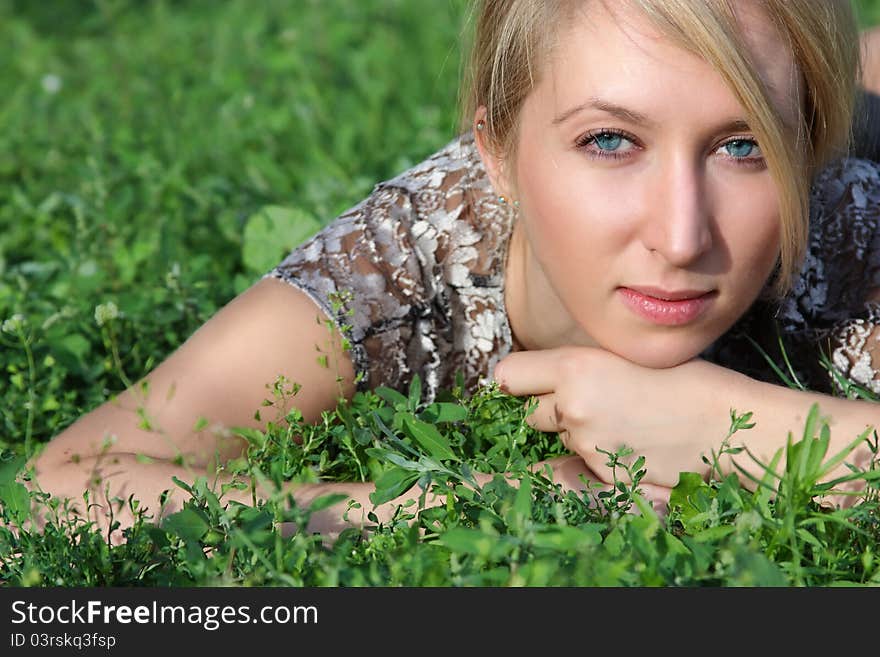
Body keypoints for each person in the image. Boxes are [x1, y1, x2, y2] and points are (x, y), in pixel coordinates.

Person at [22, 0, 880, 543]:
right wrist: (484, 501)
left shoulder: (846, 228)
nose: (682, 235)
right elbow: (53, 492)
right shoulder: (401, 266)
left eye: (744, 146)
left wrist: (730, 423)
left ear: (808, 149)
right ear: (497, 152)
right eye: (609, 140)